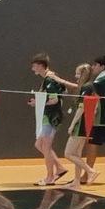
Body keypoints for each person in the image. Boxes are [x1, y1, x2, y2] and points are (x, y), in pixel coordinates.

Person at [28, 54, 71, 186]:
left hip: (52, 117)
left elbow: (54, 99)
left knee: (46, 147)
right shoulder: (50, 77)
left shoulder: (49, 80)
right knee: (39, 145)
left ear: (41, 66)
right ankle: (60, 168)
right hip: (47, 116)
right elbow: (64, 91)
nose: (32, 69)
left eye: (34, 66)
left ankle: (50, 177)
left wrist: (38, 103)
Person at [61, 64, 97, 186]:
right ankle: (76, 181)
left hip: (81, 123)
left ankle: (90, 171)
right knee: (77, 154)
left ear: (82, 74)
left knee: (68, 153)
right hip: (87, 123)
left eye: (77, 73)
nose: (75, 76)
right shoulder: (90, 86)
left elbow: (82, 108)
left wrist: (72, 124)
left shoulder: (87, 87)